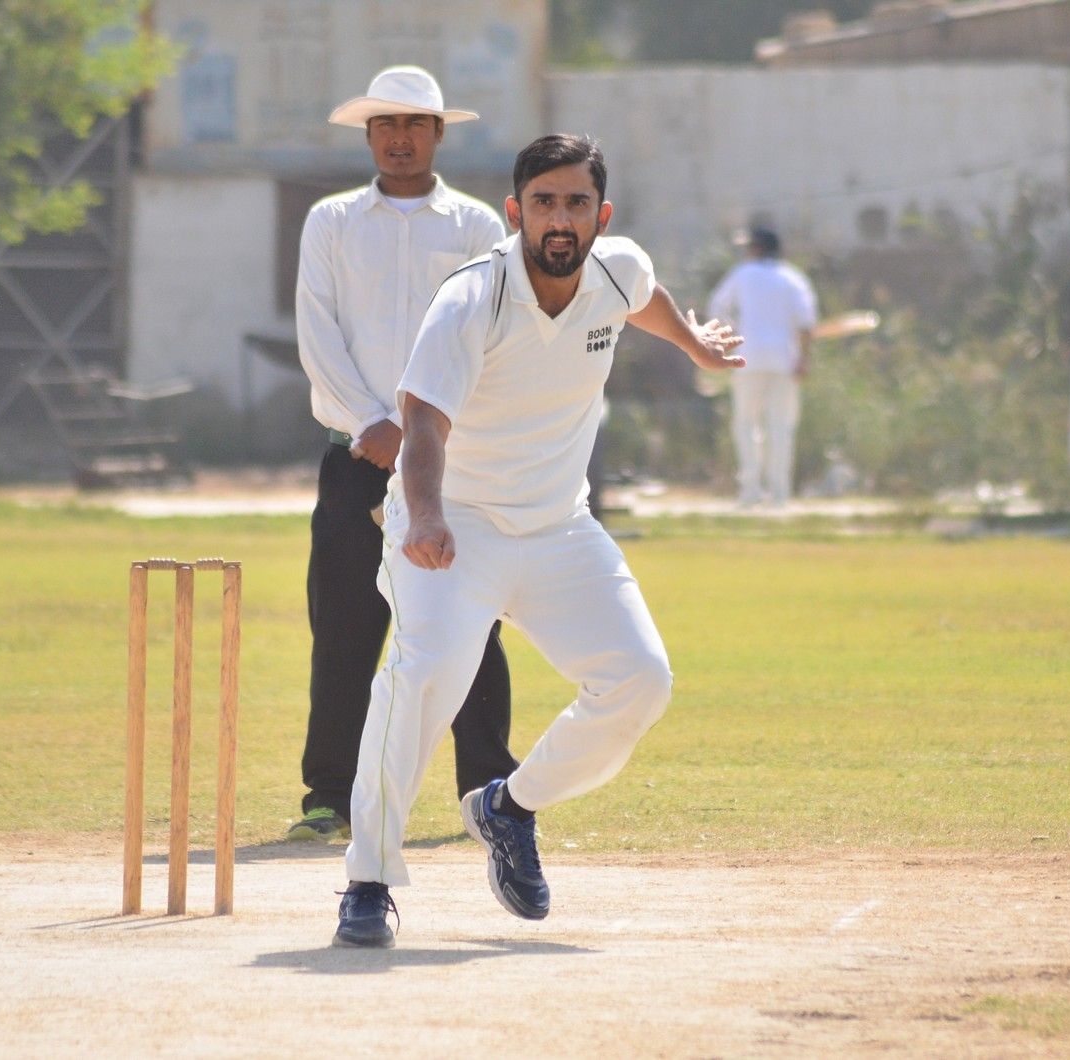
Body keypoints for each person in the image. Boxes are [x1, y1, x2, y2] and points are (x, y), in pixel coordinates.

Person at [333, 134, 746, 948]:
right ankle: (368, 880)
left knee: (641, 681)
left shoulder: (619, 268)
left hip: (559, 526)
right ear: (516, 212)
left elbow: (646, 297)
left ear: (602, 215)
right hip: (454, 525)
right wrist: (426, 515)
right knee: (424, 678)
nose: (561, 220)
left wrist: (694, 344)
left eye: (577, 204)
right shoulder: (472, 299)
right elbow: (423, 422)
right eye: (545, 203)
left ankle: (508, 806)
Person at [289, 66, 518, 843]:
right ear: (368, 135)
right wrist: (373, 424)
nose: (399, 138)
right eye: (385, 124)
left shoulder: (477, 226)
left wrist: (418, 429)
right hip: (355, 457)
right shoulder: (332, 221)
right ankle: (330, 796)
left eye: (415, 124)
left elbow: (491, 338)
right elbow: (317, 335)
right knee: (346, 629)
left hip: (452, 461)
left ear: (438, 133)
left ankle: (489, 794)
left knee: (471, 626)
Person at [707, 226, 818, 507]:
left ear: (757, 248)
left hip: (748, 357)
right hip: (784, 359)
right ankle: (779, 495)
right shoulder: (792, 278)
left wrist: (732, 334)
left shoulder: (743, 274)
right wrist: (804, 358)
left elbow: (717, 307)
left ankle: (751, 492)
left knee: (746, 425)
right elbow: (806, 323)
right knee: (780, 427)